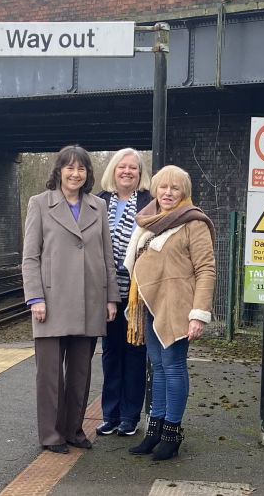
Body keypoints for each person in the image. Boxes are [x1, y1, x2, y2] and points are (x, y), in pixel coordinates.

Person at [22, 145, 120, 455]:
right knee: (50, 374)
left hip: (90, 301)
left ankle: (74, 430)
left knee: (80, 371)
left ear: (88, 174)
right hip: (50, 302)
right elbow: (30, 257)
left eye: (82, 169)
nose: (76, 174)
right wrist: (35, 297)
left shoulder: (97, 207)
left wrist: (111, 298)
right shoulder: (39, 204)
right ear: (59, 171)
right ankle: (51, 434)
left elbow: (106, 256)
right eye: (70, 168)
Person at [122, 165, 216, 461]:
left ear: (184, 192)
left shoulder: (193, 222)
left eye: (175, 188)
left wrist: (198, 314)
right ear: (155, 189)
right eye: (163, 187)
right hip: (151, 304)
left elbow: (206, 269)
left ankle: (172, 434)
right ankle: (155, 430)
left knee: (173, 366)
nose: (168, 192)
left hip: (178, 306)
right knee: (158, 367)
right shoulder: (150, 221)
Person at [94, 149, 153, 437]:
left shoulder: (150, 203)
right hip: (105, 290)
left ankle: (130, 416)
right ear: (113, 171)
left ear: (140, 174)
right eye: (122, 166)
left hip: (137, 293)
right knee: (110, 352)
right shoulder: (97, 202)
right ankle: (110, 414)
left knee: (135, 351)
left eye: (133, 167)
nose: (127, 171)